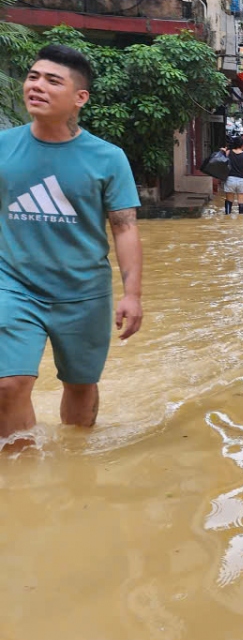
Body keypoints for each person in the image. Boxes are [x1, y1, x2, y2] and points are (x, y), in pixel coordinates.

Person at [0, 44, 143, 449]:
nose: (37, 86)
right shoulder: (3, 147)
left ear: (80, 97)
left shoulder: (107, 157)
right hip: (13, 284)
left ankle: (76, 467)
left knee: (80, 388)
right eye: (32, 76)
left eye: (51, 80)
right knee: (8, 384)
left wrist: (132, 295)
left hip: (84, 291)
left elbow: (125, 229)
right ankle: (22, 477)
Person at [221, 132, 243, 215]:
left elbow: (222, 161)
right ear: (242, 145)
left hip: (230, 179)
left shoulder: (228, 152)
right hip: (242, 180)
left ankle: (228, 216)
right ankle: (241, 219)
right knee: (241, 202)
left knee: (229, 200)